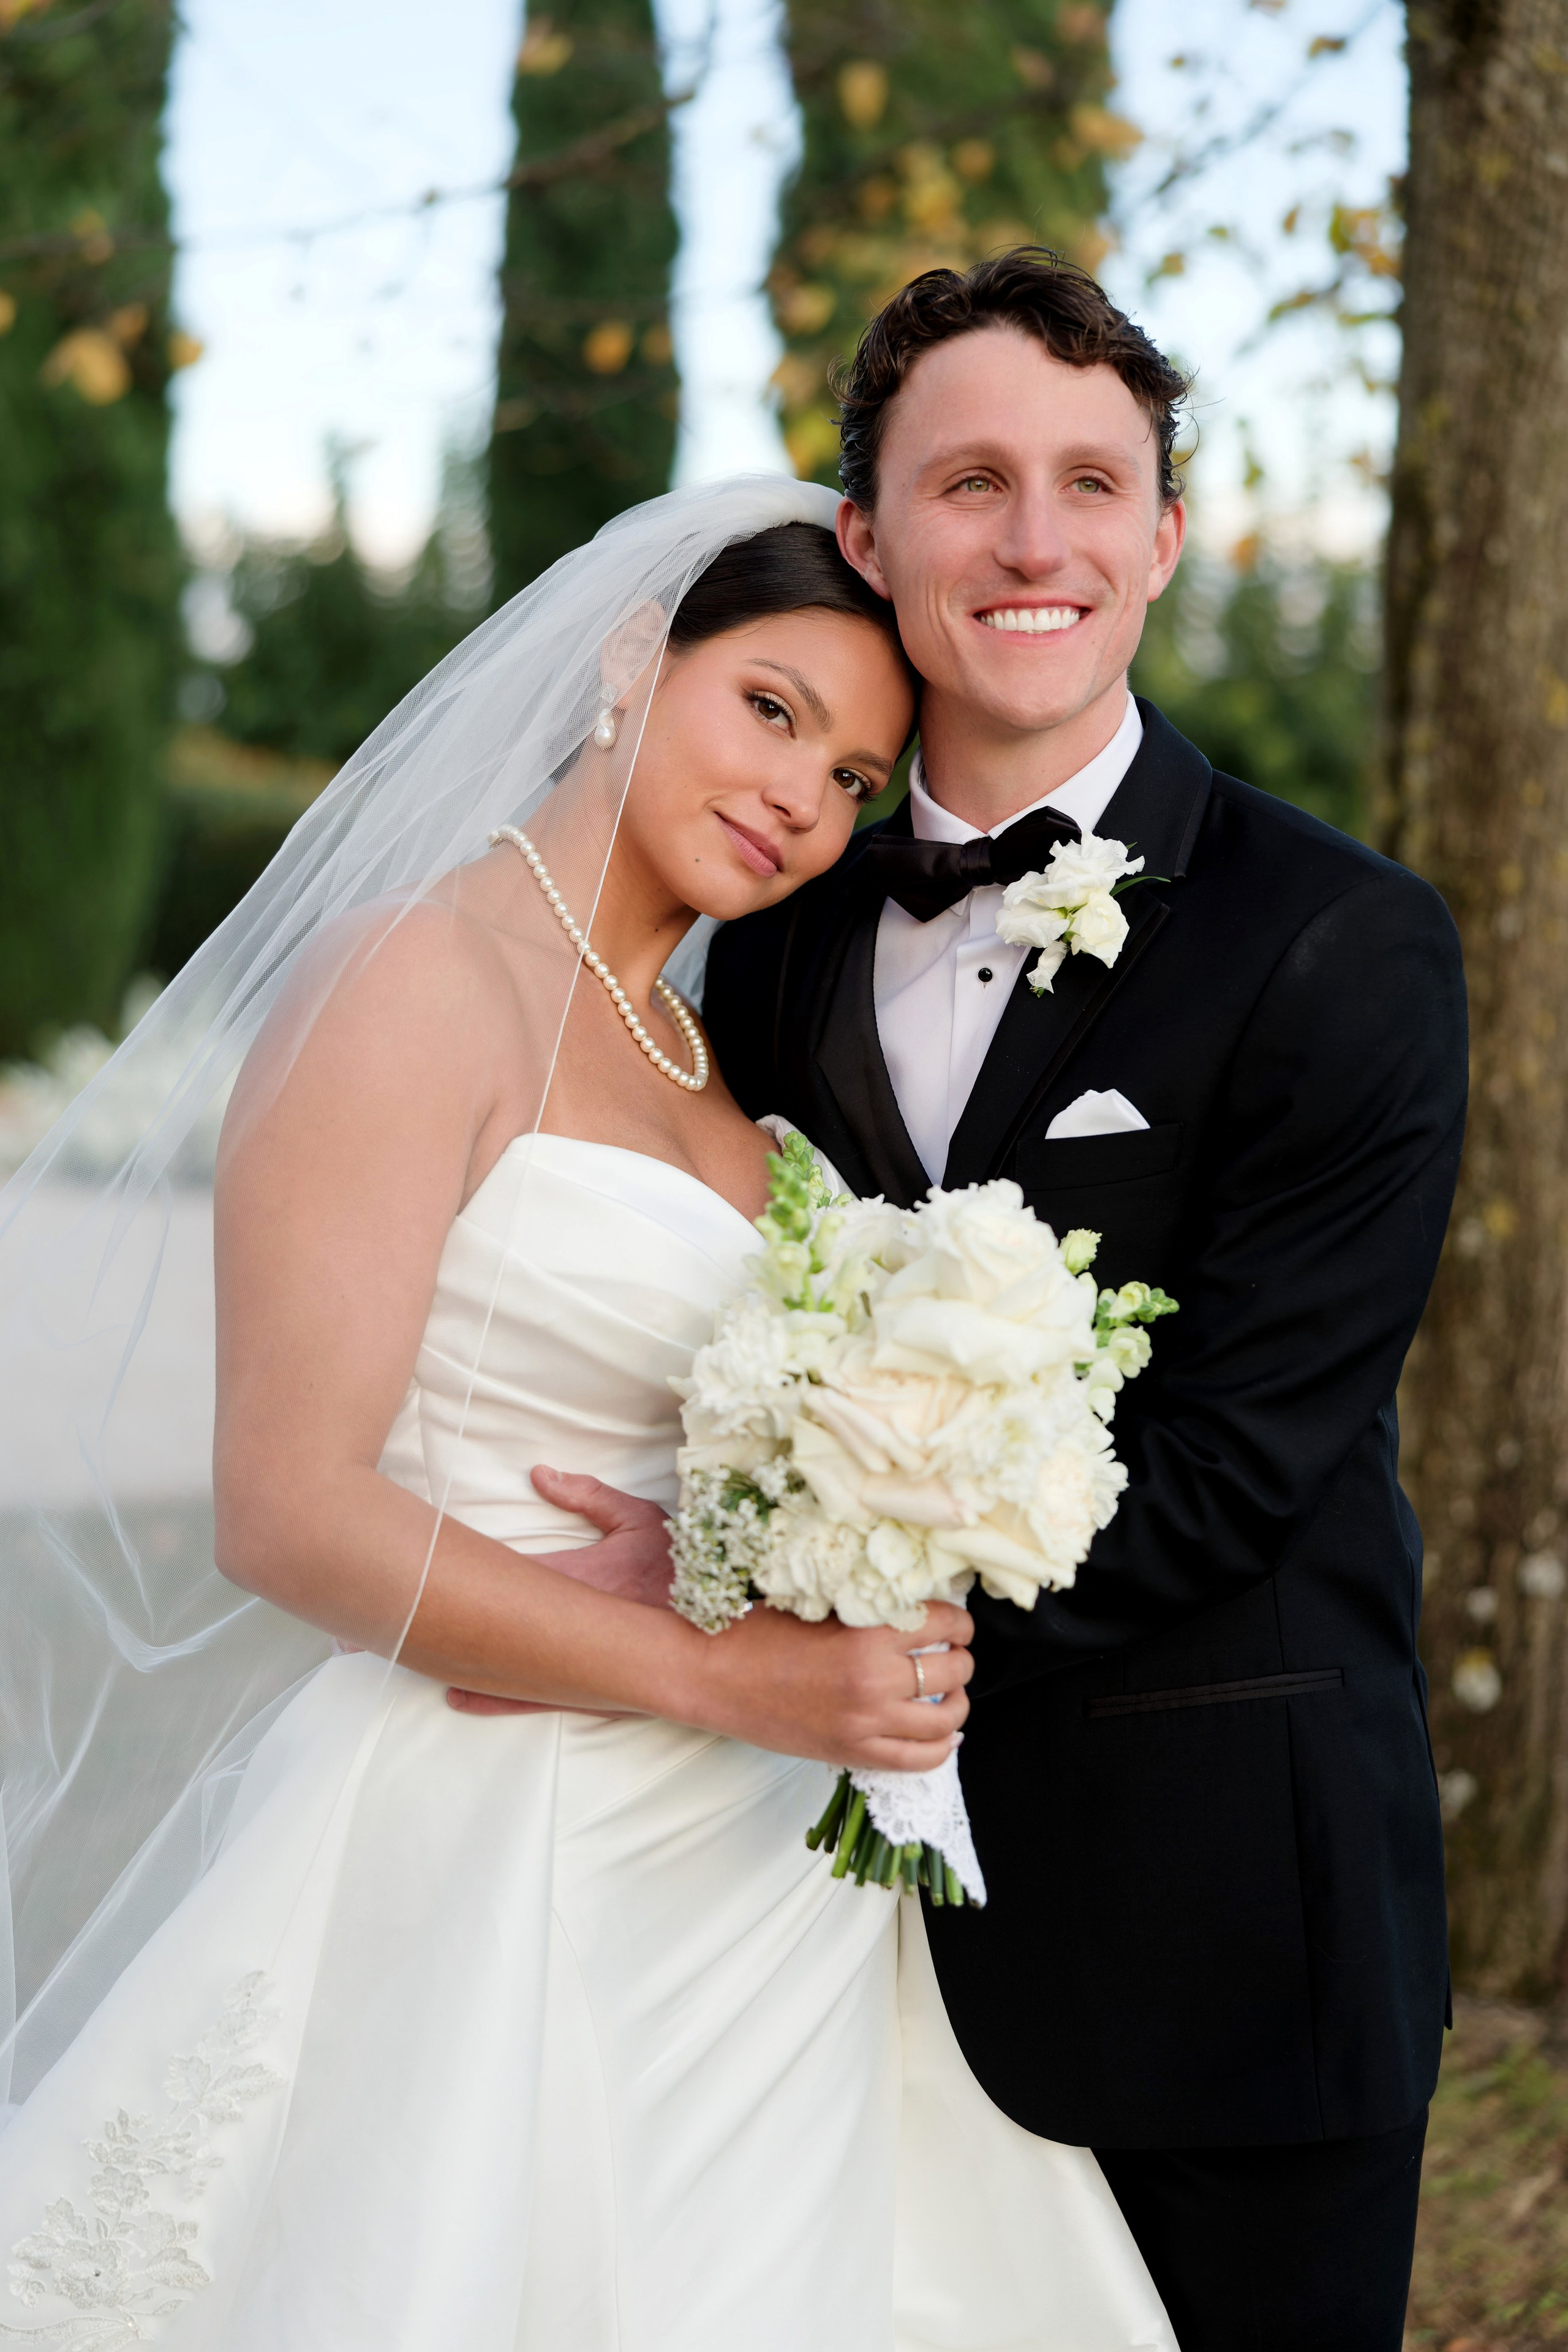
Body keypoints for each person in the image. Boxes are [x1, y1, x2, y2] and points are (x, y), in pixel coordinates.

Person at [0, 482, 1174, 2349]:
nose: (805, 797)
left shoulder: (719, 1059)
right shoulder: (413, 976)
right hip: (507, 1833)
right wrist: (735, 1678)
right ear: (637, 659)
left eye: (860, 779)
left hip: (772, 1886)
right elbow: (287, 1506)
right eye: (772, 709)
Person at [703, 251, 1468, 2351]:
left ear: (1164, 536)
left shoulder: (1349, 943)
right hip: (783, 1937)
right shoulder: (764, 930)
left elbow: (1237, 1468)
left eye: (1089, 483)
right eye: (968, 483)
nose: (1032, 539)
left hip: (1225, 1934)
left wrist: (817, 1631)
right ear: (869, 537)